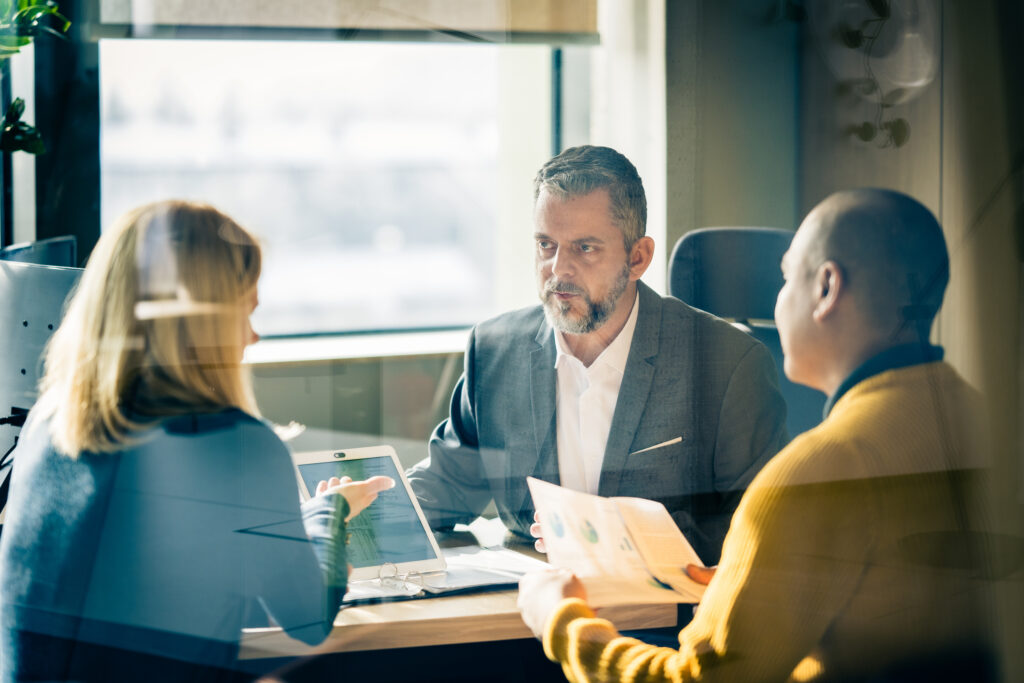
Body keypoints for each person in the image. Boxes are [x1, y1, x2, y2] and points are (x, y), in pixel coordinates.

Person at [517, 188, 994, 682]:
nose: (777, 299)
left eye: (787, 277)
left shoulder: (816, 475)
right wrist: (756, 578)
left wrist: (563, 621)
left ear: (827, 288)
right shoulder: (988, 425)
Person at [0, 201, 393, 682]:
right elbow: (306, 618)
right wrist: (330, 514)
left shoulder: (50, 422)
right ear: (203, 320)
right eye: (245, 312)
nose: (253, 336)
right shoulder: (232, 443)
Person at [407, 145, 787, 564]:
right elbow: (447, 482)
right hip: (526, 616)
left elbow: (761, 527)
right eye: (546, 245)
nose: (558, 270)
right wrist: (355, 510)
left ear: (638, 257)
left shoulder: (728, 365)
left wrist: (618, 541)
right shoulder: (497, 351)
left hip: (666, 622)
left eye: (584, 248)